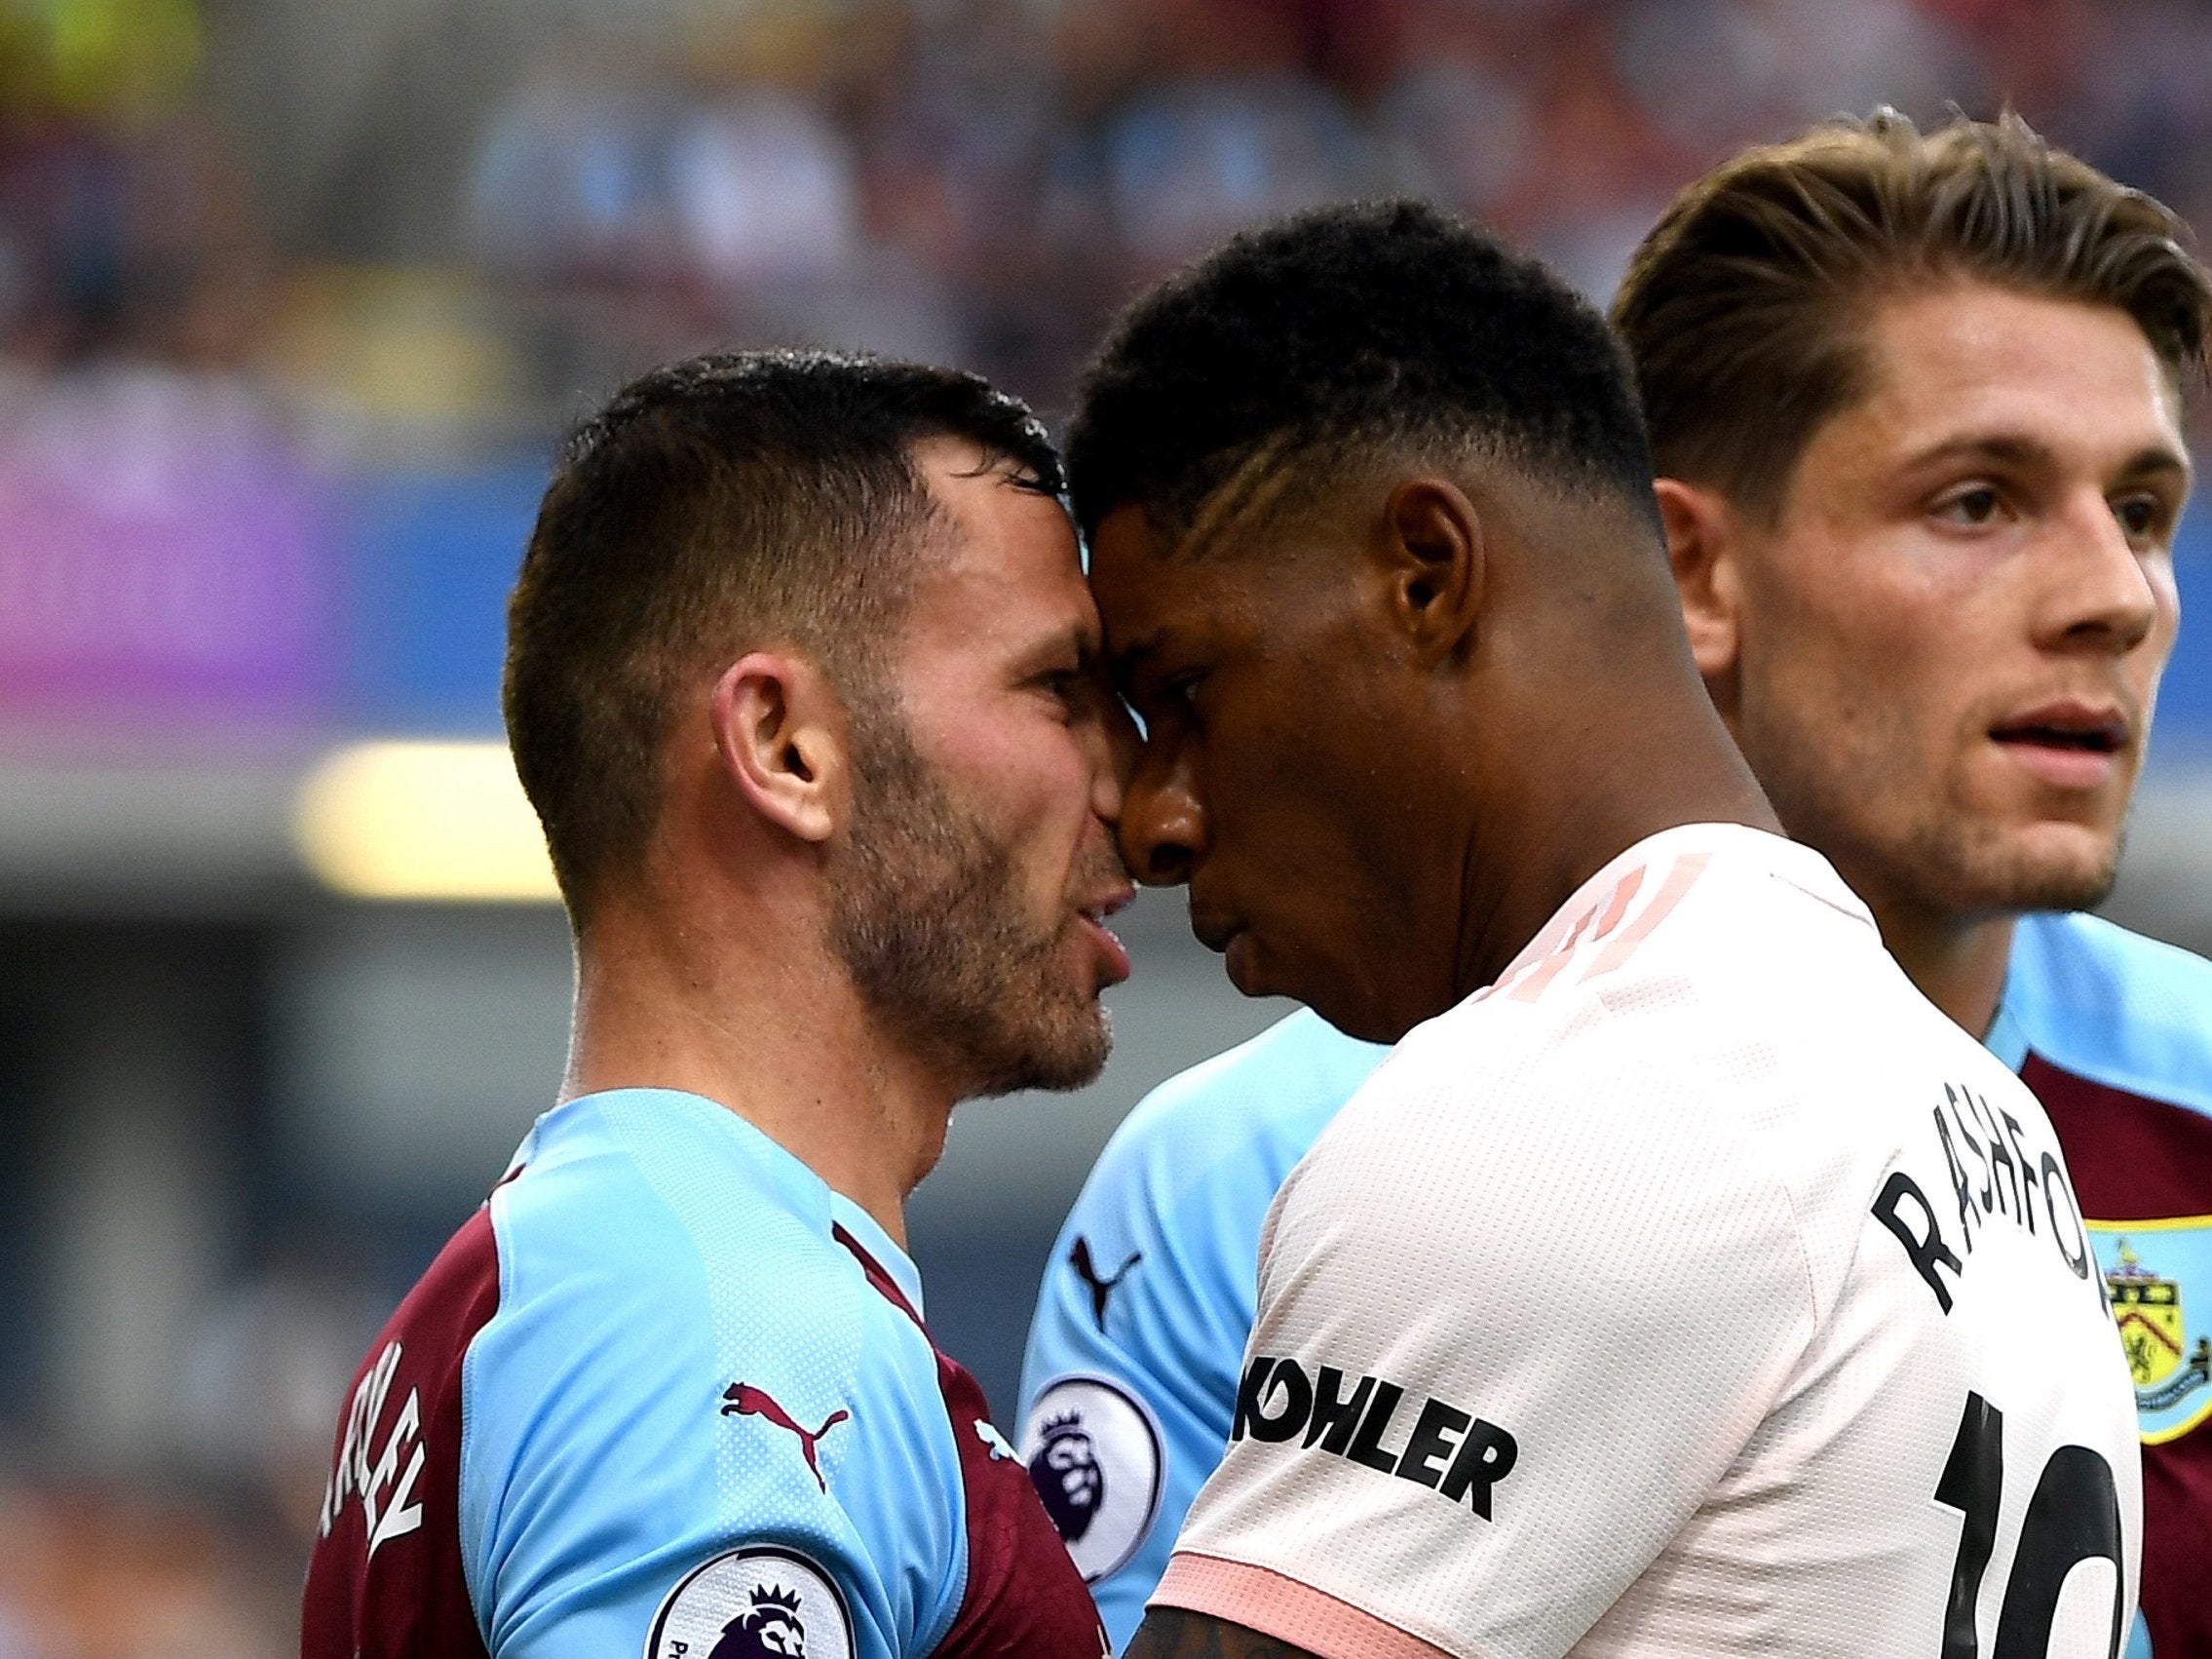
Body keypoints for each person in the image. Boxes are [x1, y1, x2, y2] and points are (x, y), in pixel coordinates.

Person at [1020, 113, 2212, 1657]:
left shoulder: (1553, 1106)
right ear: (1692, 568)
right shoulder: (1988, 1137)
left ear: (1434, 571)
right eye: (1974, 501)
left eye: (2141, 512)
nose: (2114, 598)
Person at [301, 351, 1127, 1658]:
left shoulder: (536, 1292)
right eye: (1059, 692)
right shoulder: (722, 1337)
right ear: (786, 747)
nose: (1135, 784)